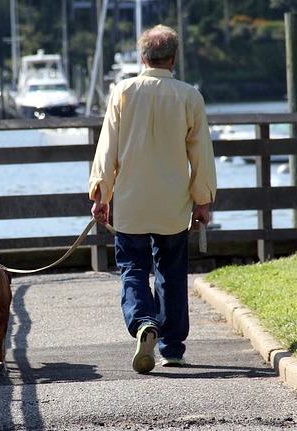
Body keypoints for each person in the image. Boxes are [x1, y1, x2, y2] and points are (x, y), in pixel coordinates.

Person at [88, 24, 217, 374]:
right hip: (172, 204)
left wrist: (101, 193)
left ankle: (143, 322)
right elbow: (201, 154)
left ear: (142, 57)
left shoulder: (122, 92)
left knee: (132, 268)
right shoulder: (190, 96)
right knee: (172, 274)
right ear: (173, 58)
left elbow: (107, 151)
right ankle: (172, 347)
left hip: (130, 202)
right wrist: (202, 200)